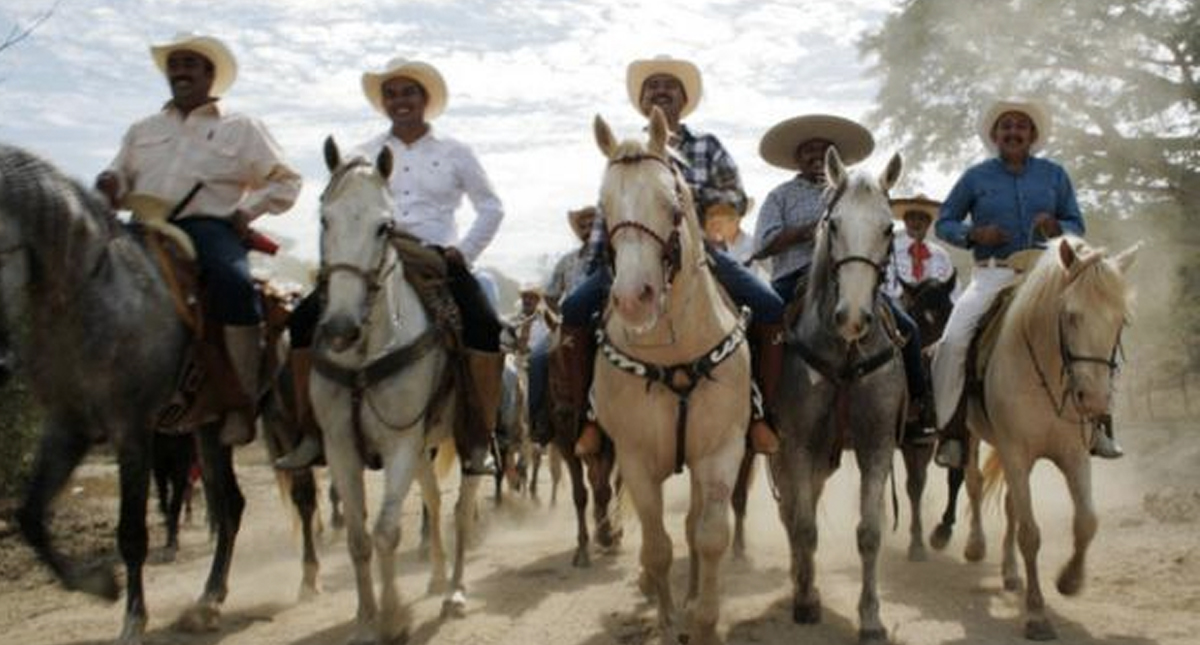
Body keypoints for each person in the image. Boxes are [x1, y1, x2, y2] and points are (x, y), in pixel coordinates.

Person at [275, 57, 506, 475]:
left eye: (408, 92)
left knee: (485, 326)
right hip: (373, 256)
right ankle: (310, 432)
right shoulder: (361, 154)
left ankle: (478, 437)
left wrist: (464, 251)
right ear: (383, 102)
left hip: (434, 257)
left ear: (425, 99)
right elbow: (338, 209)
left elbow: (491, 207)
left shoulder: (456, 152)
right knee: (302, 319)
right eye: (391, 94)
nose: (400, 100)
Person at [562, 55, 784, 457]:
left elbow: (734, 195)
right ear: (642, 99)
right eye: (653, 87)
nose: (660, 91)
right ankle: (589, 417)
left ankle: (758, 414)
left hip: (700, 255)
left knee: (769, 306)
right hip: (631, 257)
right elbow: (607, 211)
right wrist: (594, 268)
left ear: (683, 99)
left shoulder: (707, 146)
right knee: (574, 309)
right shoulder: (625, 153)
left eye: (669, 86)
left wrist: (686, 211)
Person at [95, 32, 301, 446]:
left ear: (210, 75)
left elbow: (287, 181)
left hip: (207, 227)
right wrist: (109, 184)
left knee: (236, 286)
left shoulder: (241, 127)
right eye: (175, 65)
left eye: (190, 64)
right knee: (81, 278)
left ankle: (239, 403)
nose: (180, 72)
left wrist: (246, 211)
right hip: (142, 226)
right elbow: (119, 173)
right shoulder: (142, 129)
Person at [930, 98, 1121, 468]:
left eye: (1021, 126)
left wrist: (1058, 228)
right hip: (993, 274)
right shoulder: (975, 177)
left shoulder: (1054, 175)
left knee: (1098, 327)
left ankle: (1099, 425)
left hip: (1047, 275)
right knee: (952, 342)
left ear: (1032, 135)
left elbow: (1076, 224)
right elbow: (944, 223)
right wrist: (974, 234)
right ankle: (952, 434)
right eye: (1006, 126)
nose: (1013, 131)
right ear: (995, 135)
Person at [752, 114, 929, 426]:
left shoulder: (857, 192)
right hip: (793, 278)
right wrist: (810, 231)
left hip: (849, 277)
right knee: (760, 326)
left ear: (835, 157)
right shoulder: (780, 196)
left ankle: (917, 407)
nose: (816, 155)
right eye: (809, 149)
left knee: (908, 328)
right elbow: (763, 245)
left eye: (824, 149)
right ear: (797, 157)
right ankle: (756, 407)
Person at [884, 195, 956, 298]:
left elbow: (954, 291)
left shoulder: (941, 255)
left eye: (922, 218)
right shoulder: (890, 250)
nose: (916, 222)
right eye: (912, 217)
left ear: (929, 223)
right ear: (905, 220)